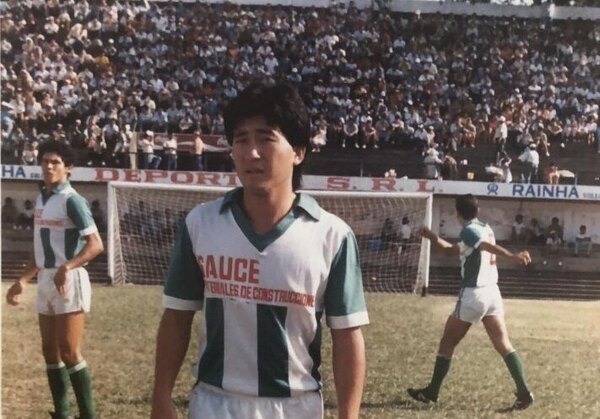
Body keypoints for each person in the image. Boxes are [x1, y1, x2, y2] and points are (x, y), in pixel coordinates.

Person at [151, 82, 369, 419]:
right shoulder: (201, 224)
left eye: (266, 138)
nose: (251, 153)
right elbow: (177, 317)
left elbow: (347, 335)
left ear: (298, 151)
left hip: (295, 407)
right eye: (241, 140)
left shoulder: (332, 236)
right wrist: (161, 396)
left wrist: (348, 415)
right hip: (214, 404)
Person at [6, 140, 104, 419]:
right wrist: (23, 279)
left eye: (56, 162)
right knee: (49, 350)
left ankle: (88, 415)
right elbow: (41, 249)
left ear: (68, 168)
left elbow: (96, 244)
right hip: (46, 280)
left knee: (69, 350)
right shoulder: (41, 198)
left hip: (69, 279)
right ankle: (62, 414)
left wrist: (68, 266)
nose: (49, 166)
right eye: (45, 161)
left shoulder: (72, 200)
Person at [408, 194, 534, 411]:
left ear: (457, 213)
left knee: (447, 343)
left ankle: (432, 391)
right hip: (492, 293)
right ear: (478, 210)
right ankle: (524, 393)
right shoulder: (486, 228)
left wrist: (512, 256)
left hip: (474, 294)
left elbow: (482, 246)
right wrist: (431, 236)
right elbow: (452, 250)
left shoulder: (468, 230)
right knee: (503, 344)